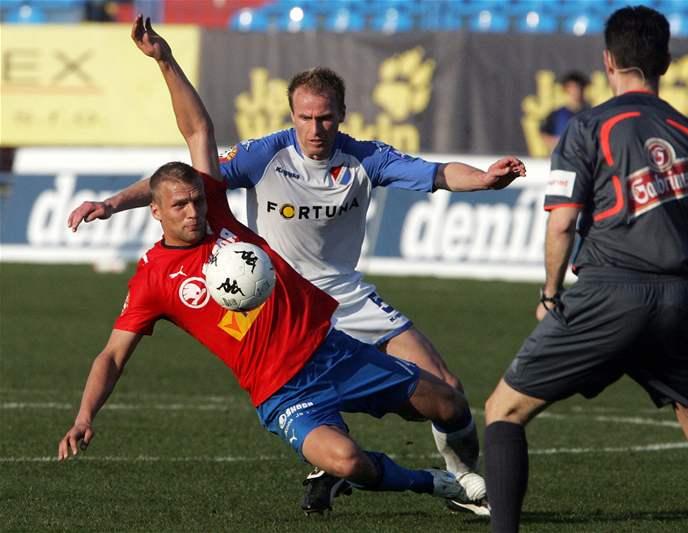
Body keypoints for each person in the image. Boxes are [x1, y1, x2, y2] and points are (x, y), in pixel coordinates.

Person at [67, 23, 524, 520]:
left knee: (448, 395)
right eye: (304, 117)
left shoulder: (355, 160)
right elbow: (184, 163)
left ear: (340, 116)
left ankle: (466, 486)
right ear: (292, 115)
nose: (314, 128)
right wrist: (112, 203)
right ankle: (382, 472)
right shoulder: (254, 166)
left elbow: (433, 173)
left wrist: (482, 180)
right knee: (345, 455)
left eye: (324, 117)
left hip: (333, 308)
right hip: (283, 338)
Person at [483, 6, 688, 533]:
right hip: (679, 296)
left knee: (503, 410)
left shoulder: (589, 126)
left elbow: (563, 223)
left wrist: (550, 293)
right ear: (665, 61)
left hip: (608, 293)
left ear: (607, 61)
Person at [540, 71, 590, 152]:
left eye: (578, 88)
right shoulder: (557, 115)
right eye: (572, 88)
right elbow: (544, 132)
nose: (575, 91)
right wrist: (556, 144)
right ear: (566, 89)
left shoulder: (591, 114)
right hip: (562, 158)